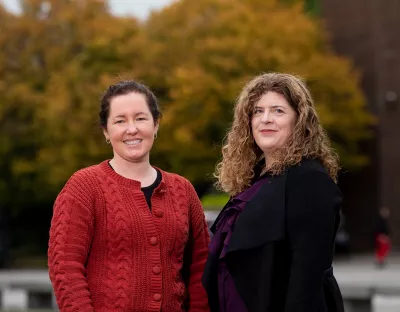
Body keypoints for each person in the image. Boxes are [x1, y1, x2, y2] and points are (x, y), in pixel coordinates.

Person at [48, 80, 210, 312]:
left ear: (156, 124)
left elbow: (200, 268)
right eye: (120, 121)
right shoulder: (84, 187)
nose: (131, 129)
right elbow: (65, 267)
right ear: (106, 131)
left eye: (140, 118)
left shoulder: (182, 190)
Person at [202, 73, 345, 312]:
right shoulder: (254, 182)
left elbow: (306, 277)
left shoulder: (309, 180)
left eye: (278, 111)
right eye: (258, 111)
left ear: (299, 121)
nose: (265, 119)